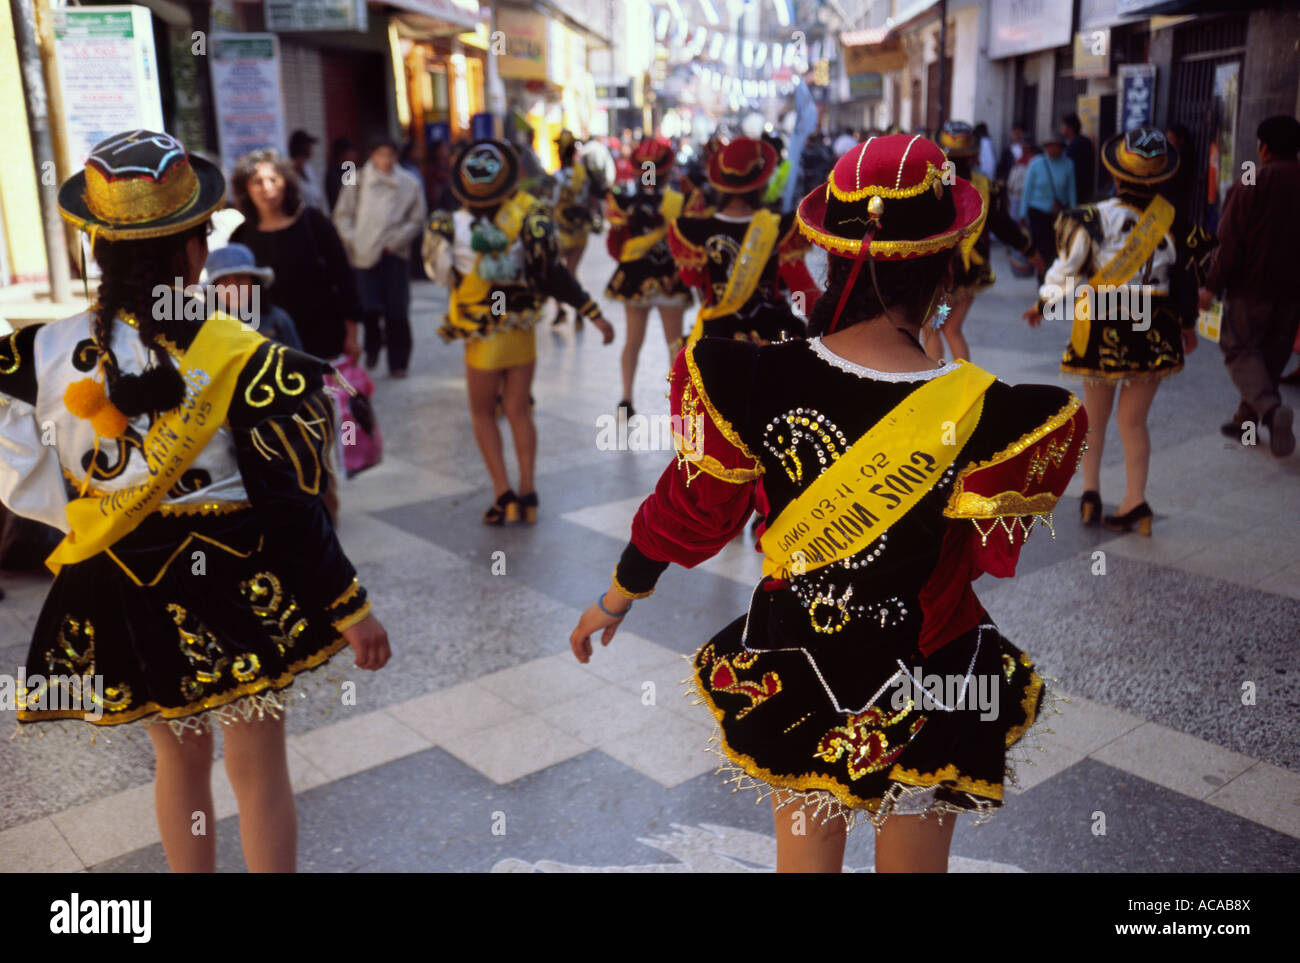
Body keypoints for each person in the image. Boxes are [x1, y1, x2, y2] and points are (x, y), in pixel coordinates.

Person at [570, 133, 1086, 873]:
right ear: (945, 268)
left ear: (831, 254)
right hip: (932, 668)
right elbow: (986, 552)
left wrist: (618, 595)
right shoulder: (995, 414)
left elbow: (696, 511)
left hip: (800, 655)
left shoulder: (751, 377)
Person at [0, 129, 390, 872]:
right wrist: (349, 604)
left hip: (125, 577)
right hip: (237, 575)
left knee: (177, 760)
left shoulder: (43, 352)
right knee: (257, 763)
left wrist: (70, 511)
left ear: (98, 244)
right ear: (190, 253)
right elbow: (288, 501)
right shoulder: (240, 351)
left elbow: (11, 445)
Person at [424, 139, 615, 525]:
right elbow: (552, 275)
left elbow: (440, 274)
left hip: (482, 334)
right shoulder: (531, 217)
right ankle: (528, 492)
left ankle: (503, 494)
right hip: (521, 331)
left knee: (482, 414)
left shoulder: (449, 225)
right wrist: (591, 312)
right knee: (518, 409)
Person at [1024, 126, 1197, 532]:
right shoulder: (1174, 221)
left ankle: (1090, 494)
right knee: (1133, 422)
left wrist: (1043, 303)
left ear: (1115, 174)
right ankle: (1137, 503)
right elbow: (1187, 282)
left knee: (1094, 420)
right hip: (1154, 326)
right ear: (1161, 177)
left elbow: (1066, 271)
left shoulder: (1092, 217)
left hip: (1102, 322)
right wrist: (1187, 326)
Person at [1199, 115, 1300, 457]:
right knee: (1268, 360)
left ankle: (1271, 412)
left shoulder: (1251, 180)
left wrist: (1211, 286)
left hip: (1251, 288)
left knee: (1240, 349)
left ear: (1264, 147)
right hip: (1292, 293)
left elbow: (1228, 242)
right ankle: (1246, 424)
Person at [668, 136, 819, 345]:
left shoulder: (694, 230)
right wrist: (831, 322)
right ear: (761, 182)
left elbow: (691, 278)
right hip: (773, 335)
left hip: (718, 339)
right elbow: (801, 288)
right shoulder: (778, 228)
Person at [925, 121, 1044, 363]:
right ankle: (964, 383)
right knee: (952, 328)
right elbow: (1003, 226)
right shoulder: (986, 187)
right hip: (970, 274)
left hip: (945, 277)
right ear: (974, 156)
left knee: (932, 328)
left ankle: (933, 381)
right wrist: (1029, 250)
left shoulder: (934, 187)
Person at [229, 149, 362, 363]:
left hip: (322, 337)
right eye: (257, 182)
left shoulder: (313, 223)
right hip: (267, 344)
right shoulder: (240, 237)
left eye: (273, 179)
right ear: (246, 188)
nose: (267, 188)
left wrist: (352, 335)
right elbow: (233, 296)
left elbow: (344, 279)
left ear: (286, 182)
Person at [604, 137, 694, 417]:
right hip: (670, 277)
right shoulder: (681, 200)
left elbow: (615, 245)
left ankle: (626, 399)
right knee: (674, 344)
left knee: (633, 341)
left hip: (636, 276)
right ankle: (678, 407)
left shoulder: (623, 198)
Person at [332, 136, 427, 378]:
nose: (386, 160)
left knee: (397, 311)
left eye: (391, 154)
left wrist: (396, 241)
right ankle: (373, 347)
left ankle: (399, 363)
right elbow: (342, 215)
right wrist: (354, 241)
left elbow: (416, 219)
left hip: (395, 254)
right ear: (372, 155)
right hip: (364, 255)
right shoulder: (356, 178)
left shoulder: (409, 183)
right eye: (381, 154)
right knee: (369, 308)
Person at [204, 242, 303, 350]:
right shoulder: (206, 327)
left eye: (240, 278)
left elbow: (300, 363)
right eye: (224, 280)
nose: (234, 287)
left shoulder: (278, 320)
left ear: (254, 282)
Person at [549, 130, 595, 329]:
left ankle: (560, 311)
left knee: (556, 272)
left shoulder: (557, 178)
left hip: (561, 232)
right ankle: (579, 311)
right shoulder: (583, 175)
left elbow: (551, 203)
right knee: (572, 271)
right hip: (581, 231)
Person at [1018, 132, 1076, 282]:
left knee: (1057, 250)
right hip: (1037, 213)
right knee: (1042, 250)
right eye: (1050, 146)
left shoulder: (1068, 165)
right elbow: (1027, 190)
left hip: (1059, 215)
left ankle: (1054, 279)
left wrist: (1075, 213)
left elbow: (1071, 191)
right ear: (1045, 148)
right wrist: (1022, 213)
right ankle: (1042, 281)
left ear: (1062, 148)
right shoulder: (1036, 164)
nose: (1053, 150)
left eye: (1056, 146)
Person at [1061, 113, 1095, 203]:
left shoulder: (1080, 143)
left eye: (1063, 126)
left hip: (1078, 189)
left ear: (1070, 128)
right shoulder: (1071, 143)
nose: (1061, 128)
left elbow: (1077, 169)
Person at [288, 129, 325, 210]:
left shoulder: (307, 167)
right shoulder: (289, 170)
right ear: (302, 147)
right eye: (309, 145)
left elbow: (317, 194)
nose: (311, 149)